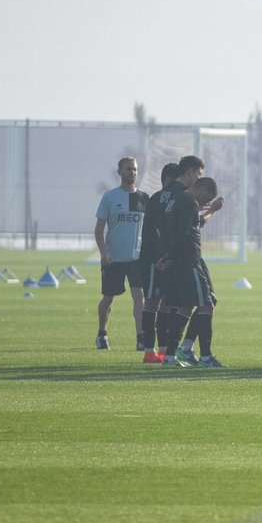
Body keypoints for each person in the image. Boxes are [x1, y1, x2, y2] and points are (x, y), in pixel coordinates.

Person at [158, 176, 225, 368]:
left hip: (176, 262)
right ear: (202, 189)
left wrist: (166, 255)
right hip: (188, 261)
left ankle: (171, 356)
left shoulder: (174, 200)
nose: (207, 202)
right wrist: (172, 255)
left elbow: (165, 229)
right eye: (208, 197)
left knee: (184, 307)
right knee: (207, 304)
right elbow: (183, 232)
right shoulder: (189, 202)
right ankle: (205, 357)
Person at [94, 156, 148, 350]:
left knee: (139, 297)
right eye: (128, 169)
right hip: (113, 258)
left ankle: (141, 337)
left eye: (134, 169)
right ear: (119, 172)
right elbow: (99, 229)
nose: (132, 173)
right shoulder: (110, 197)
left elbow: (149, 229)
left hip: (136, 257)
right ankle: (102, 334)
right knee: (108, 298)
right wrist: (103, 253)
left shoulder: (143, 198)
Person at [138, 162, 181, 363]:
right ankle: (149, 351)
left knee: (162, 303)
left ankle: (160, 351)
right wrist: (162, 255)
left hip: (158, 258)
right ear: (170, 179)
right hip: (157, 260)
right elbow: (153, 230)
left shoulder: (155, 198)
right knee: (155, 303)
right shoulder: (167, 197)